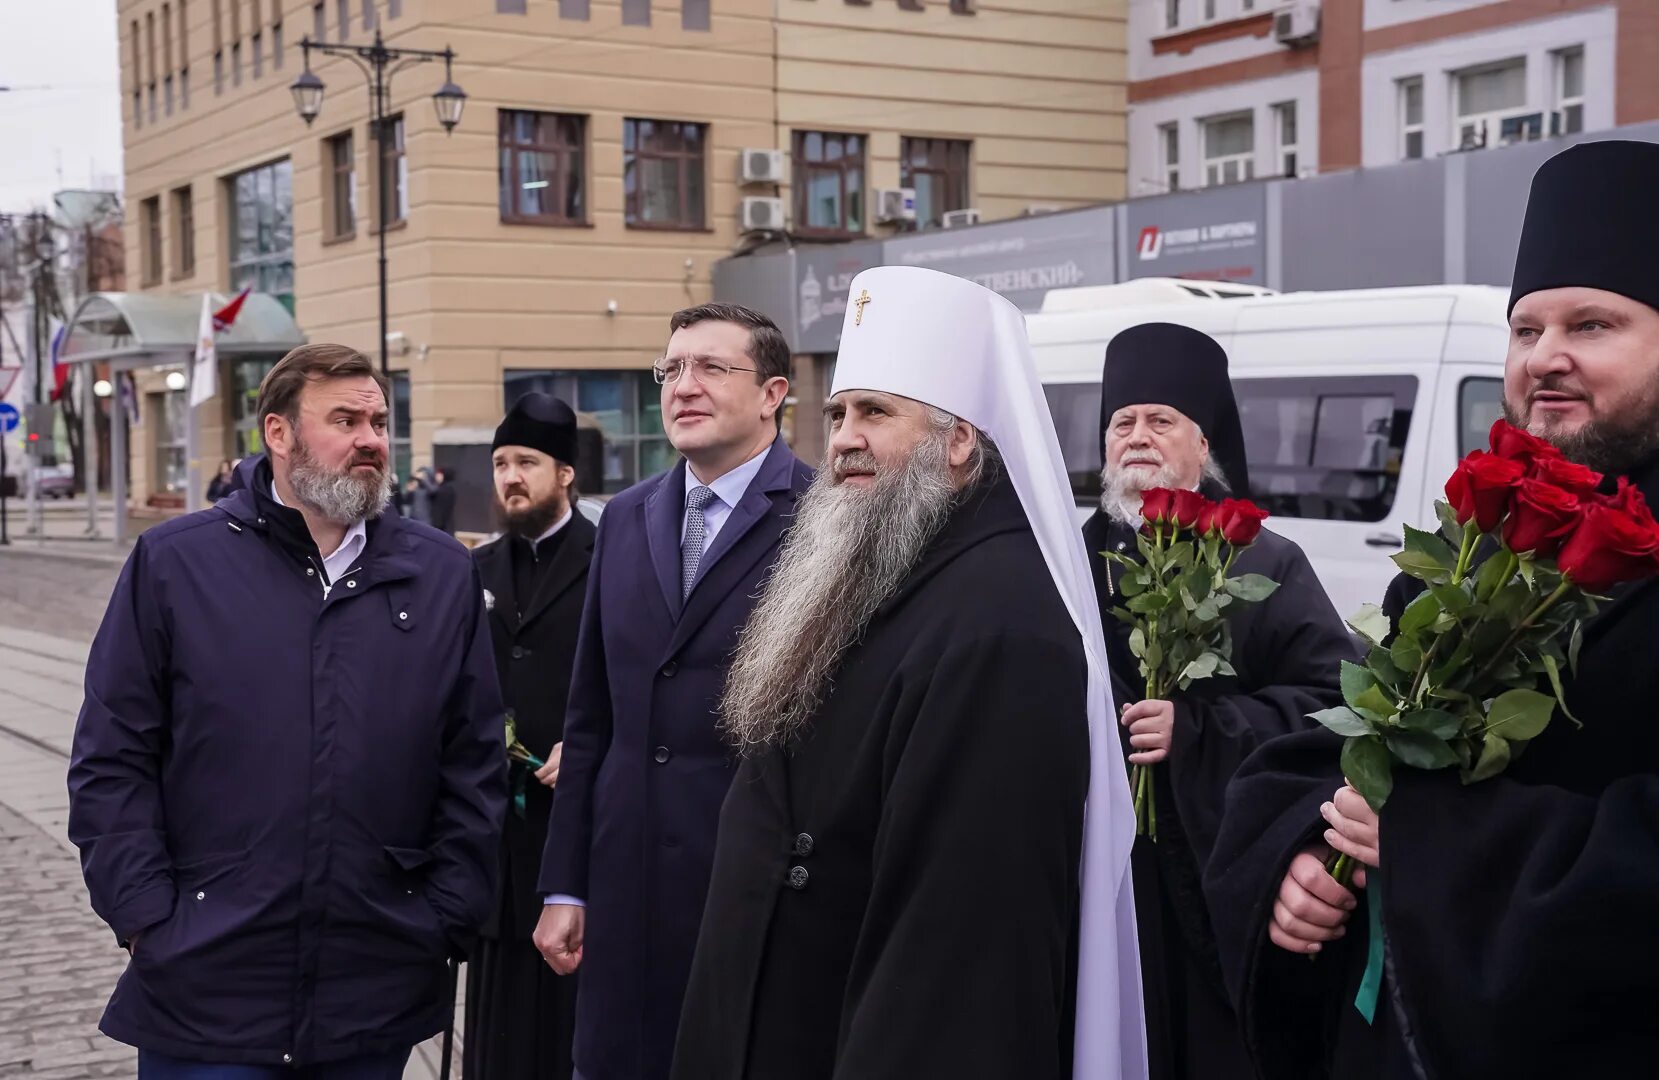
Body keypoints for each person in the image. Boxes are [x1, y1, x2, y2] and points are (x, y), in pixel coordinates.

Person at [1206, 139, 1659, 1079]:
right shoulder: (1475, 546)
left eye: (1593, 325)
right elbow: (1342, 731)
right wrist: (1296, 855)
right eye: (1525, 330)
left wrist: (1430, 842)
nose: (1547, 359)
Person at [672, 266, 1144, 1080]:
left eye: (875, 412)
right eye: (838, 414)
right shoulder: (873, 562)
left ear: (959, 440)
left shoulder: (1006, 626)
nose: (844, 438)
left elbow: (960, 951)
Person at [67, 343, 507, 1078]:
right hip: (207, 982)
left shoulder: (439, 573)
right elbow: (112, 757)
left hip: (375, 980)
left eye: (377, 420)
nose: (371, 439)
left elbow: (473, 760)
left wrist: (443, 914)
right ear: (279, 434)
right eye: (344, 419)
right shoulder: (177, 562)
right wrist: (146, 917)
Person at [534, 303, 812, 1080]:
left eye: (711, 368)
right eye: (672, 370)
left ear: (772, 393)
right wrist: (566, 884)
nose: (683, 387)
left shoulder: (823, 521)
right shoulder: (624, 517)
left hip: (749, 890)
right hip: (625, 895)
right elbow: (591, 716)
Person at [1080, 323, 1352, 1080]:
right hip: (1096, 871)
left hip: (1210, 864)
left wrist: (1200, 727)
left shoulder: (1262, 560)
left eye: (1160, 421)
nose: (1137, 436)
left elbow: (1334, 698)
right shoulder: (1070, 562)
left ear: (1202, 448)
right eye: (1121, 422)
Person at [465, 393, 595, 1080]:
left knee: (568, 1028)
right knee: (496, 1039)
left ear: (565, 473)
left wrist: (588, 747)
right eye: (500, 463)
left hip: (575, 838)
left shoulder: (612, 559)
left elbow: (633, 680)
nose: (510, 477)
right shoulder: (475, 572)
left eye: (526, 462)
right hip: (495, 843)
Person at [431, 467, 459, 535]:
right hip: (446, 525)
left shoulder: (445, 490)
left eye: (439, 475)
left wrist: (436, 525)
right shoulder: (448, 488)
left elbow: (441, 509)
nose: (436, 476)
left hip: (442, 527)